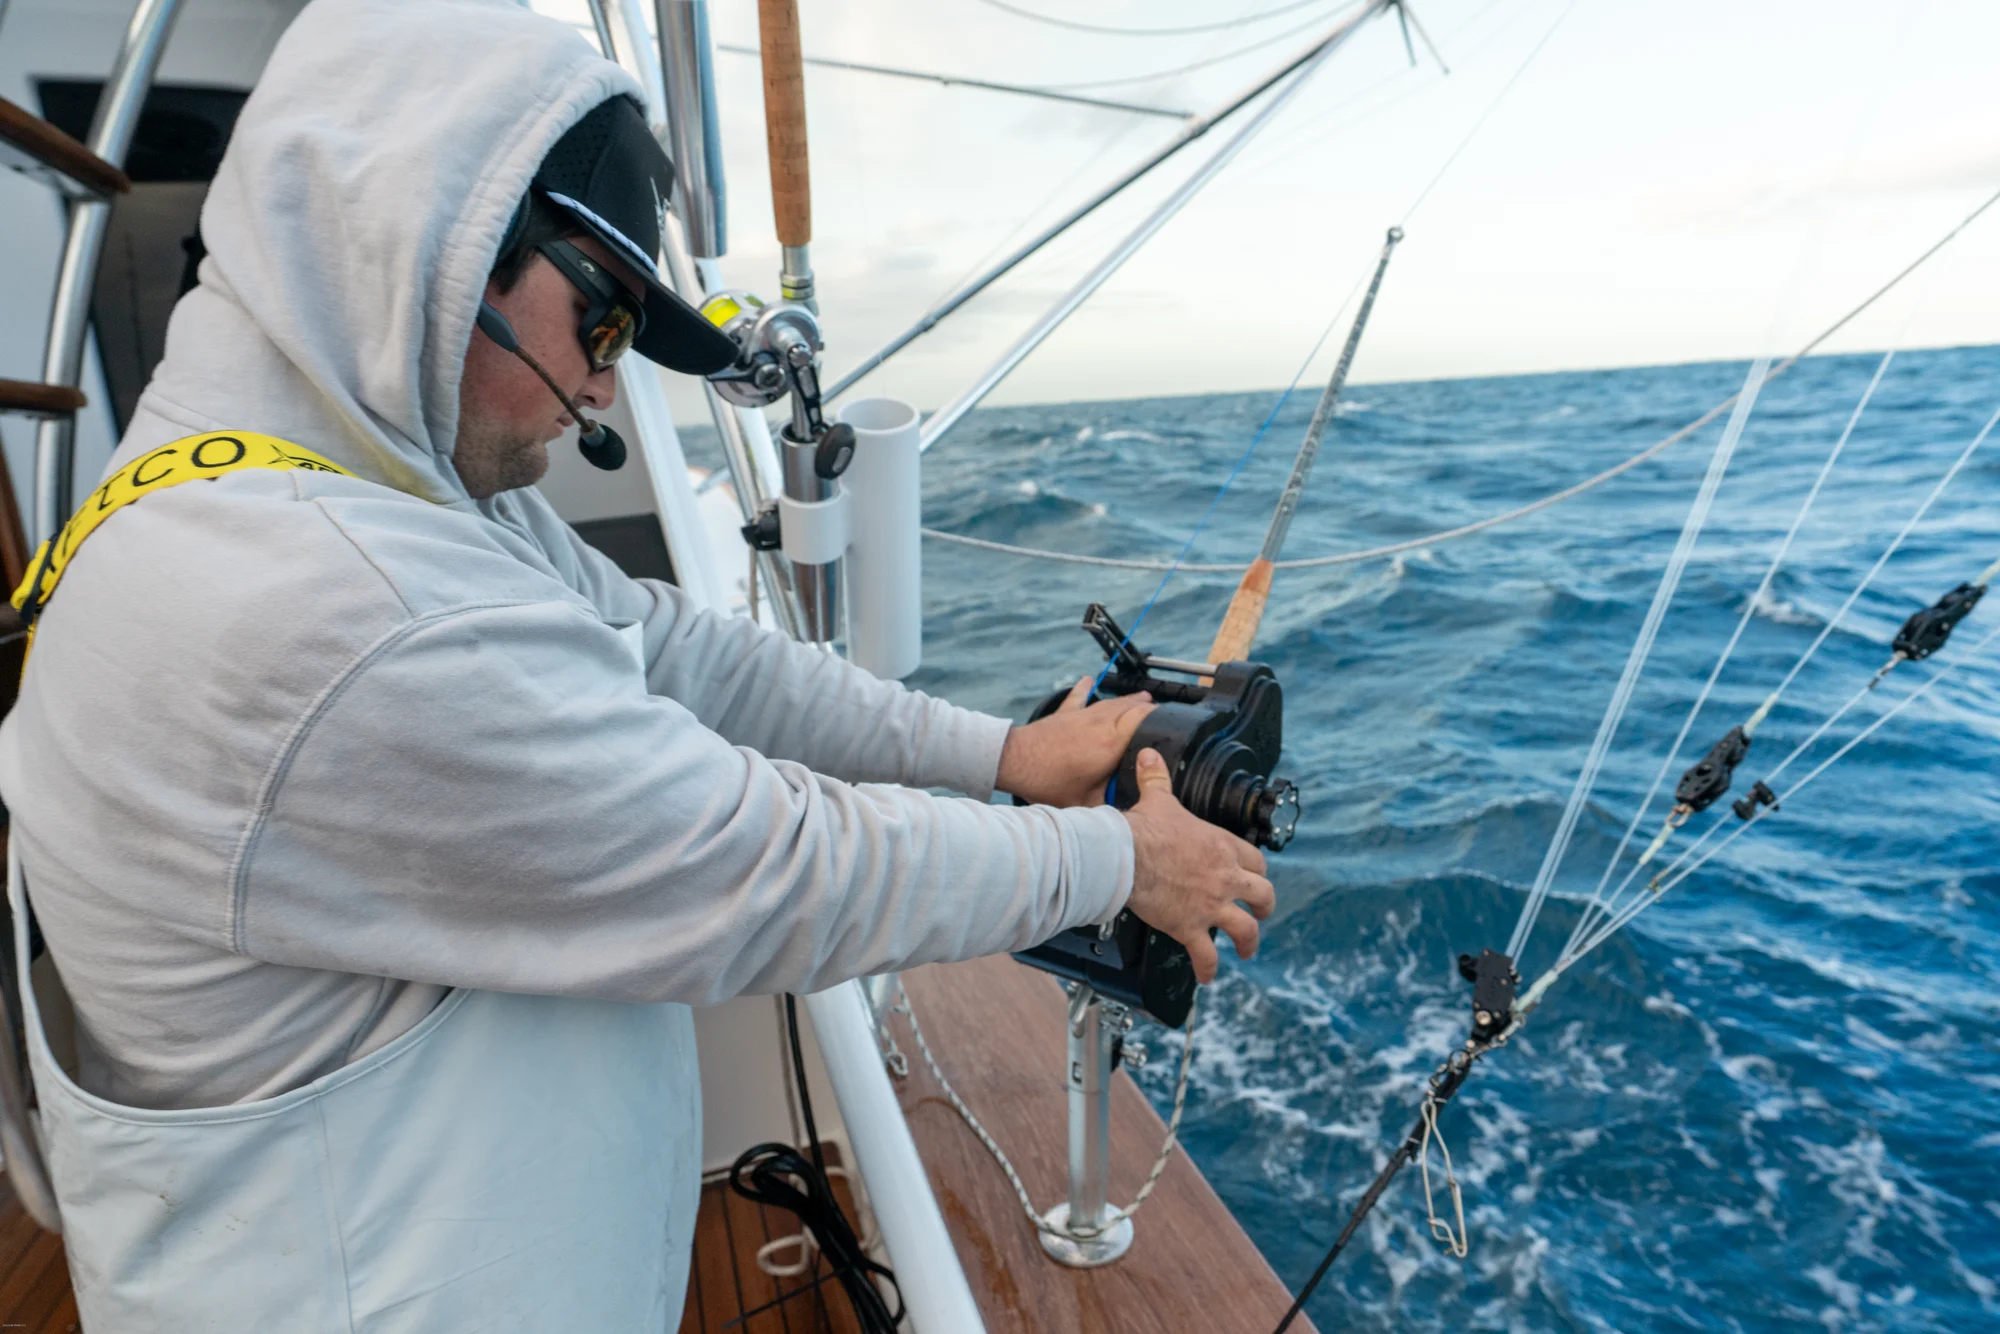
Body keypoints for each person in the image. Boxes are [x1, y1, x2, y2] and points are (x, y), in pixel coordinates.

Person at [0, 0, 1273, 1327]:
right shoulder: (329, 608)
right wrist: (1122, 861)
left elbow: (671, 647)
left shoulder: (342, 483)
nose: (607, 391)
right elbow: (766, 868)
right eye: (600, 321)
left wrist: (1003, 753)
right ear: (432, 242)